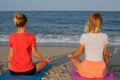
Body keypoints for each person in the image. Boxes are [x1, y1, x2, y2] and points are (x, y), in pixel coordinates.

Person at [68, 13, 112, 78]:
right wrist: (109, 56)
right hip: (101, 73)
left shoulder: (84, 36)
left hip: (87, 71)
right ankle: (104, 69)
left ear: (89, 23)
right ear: (100, 24)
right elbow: (105, 54)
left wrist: (72, 56)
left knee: (73, 58)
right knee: (107, 58)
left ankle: (78, 69)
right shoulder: (105, 36)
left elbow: (79, 52)